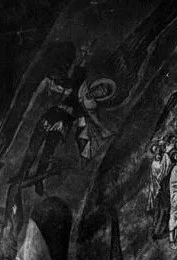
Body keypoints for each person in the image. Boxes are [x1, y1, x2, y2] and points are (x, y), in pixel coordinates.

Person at [14, 41, 112, 194]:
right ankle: (21, 174)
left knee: (48, 152)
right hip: (51, 116)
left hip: (62, 125)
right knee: (34, 146)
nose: (99, 91)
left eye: (103, 92)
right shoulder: (80, 87)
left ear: (102, 97)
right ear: (96, 85)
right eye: (100, 87)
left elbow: (93, 119)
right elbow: (79, 71)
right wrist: (85, 56)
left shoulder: (90, 107)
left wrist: (104, 130)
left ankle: (39, 181)